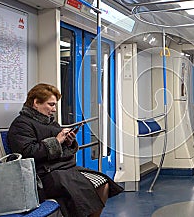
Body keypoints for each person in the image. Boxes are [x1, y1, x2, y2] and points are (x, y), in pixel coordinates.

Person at [8, 83, 123, 217]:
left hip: (63, 168)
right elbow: (27, 152)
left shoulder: (49, 121)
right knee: (82, 191)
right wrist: (56, 141)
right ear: (36, 103)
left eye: (55, 105)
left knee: (103, 183)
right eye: (51, 104)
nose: (54, 109)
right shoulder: (21, 124)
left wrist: (68, 141)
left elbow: (61, 145)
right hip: (44, 173)